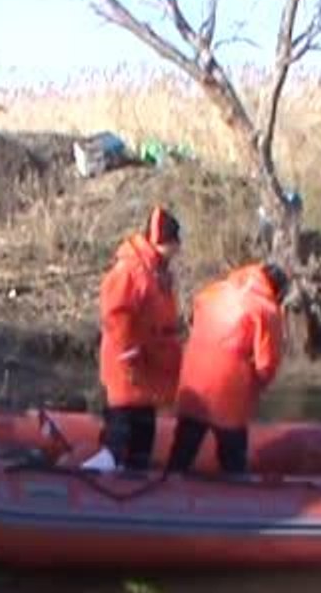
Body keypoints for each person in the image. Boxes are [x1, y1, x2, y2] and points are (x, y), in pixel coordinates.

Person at [166, 262, 288, 476]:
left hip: (194, 380)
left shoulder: (214, 290)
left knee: (184, 446)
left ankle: (167, 487)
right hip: (230, 388)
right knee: (233, 454)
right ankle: (235, 493)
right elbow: (266, 363)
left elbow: (195, 320)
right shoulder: (266, 309)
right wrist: (259, 385)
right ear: (277, 290)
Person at [94, 204, 183, 471]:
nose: (178, 248)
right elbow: (116, 316)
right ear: (162, 242)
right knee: (120, 436)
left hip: (148, 372)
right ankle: (102, 478)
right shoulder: (131, 271)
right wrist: (129, 356)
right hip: (129, 370)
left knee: (143, 436)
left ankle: (135, 476)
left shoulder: (156, 271)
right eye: (174, 242)